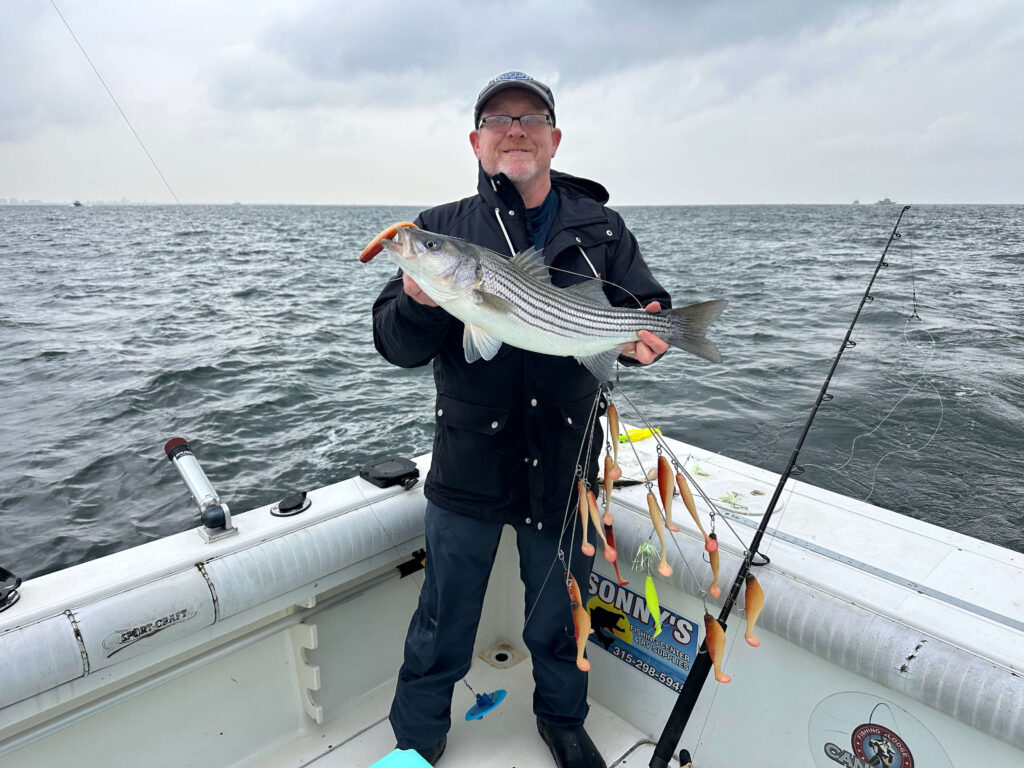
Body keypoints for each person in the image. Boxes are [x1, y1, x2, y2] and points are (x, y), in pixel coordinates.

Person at [371, 71, 672, 768]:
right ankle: (416, 738)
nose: (514, 130)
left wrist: (648, 336)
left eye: (530, 118)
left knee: (563, 615)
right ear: (476, 142)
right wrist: (418, 301)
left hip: (565, 463)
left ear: (554, 139)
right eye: (497, 120)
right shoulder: (440, 231)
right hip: (468, 463)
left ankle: (563, 723)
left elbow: (642, 306)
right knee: (443, 617)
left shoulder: (601, 228)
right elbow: (394, 344)